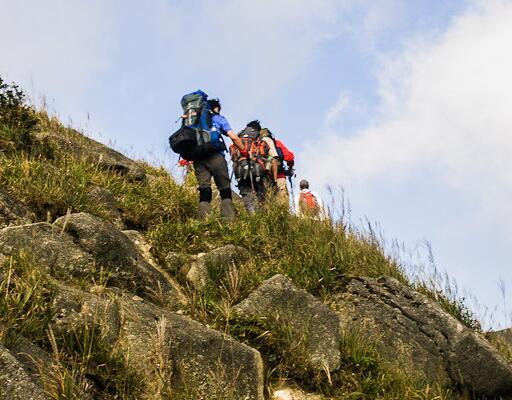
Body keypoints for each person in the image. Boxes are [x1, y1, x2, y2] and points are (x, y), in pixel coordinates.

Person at [193, 98, 245, 221]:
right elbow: (233, 136)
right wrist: (243, 150)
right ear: (216, 108)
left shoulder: (195, 120)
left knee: (204, 188)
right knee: (224, 188)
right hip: (215, 155)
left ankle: (203, 221)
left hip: (198, 157)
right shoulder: (218, 118)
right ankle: (228, 220)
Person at [231, 120, 279, 213]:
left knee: (247, 197)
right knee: (262, 198)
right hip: (258, 170)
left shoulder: (239, 137)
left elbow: (233, 156)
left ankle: (252, 217)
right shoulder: (263, 139)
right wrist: (274, 180)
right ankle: (262, 219)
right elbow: (273, 160)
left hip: (241, 171)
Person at [260, 128, 295, 199]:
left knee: (266, 200)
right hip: (279, 176)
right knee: (282, 201)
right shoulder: (277, 143)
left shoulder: (258, 144)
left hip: (263, 178)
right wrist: (290, 168)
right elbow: (290, 157)